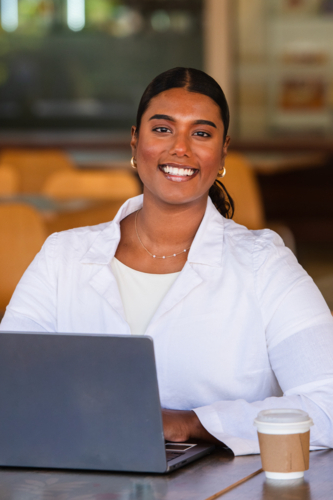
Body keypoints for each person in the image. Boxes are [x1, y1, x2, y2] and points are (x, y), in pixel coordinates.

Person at [1, 67, 333, 456]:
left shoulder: (265, 265)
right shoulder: (63, 256)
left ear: (223, 150)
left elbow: (326, 404)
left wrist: (192, 423)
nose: (181, 148)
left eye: (201, 133)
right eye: (162, 129)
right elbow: (10, 385)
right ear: (134, 141)